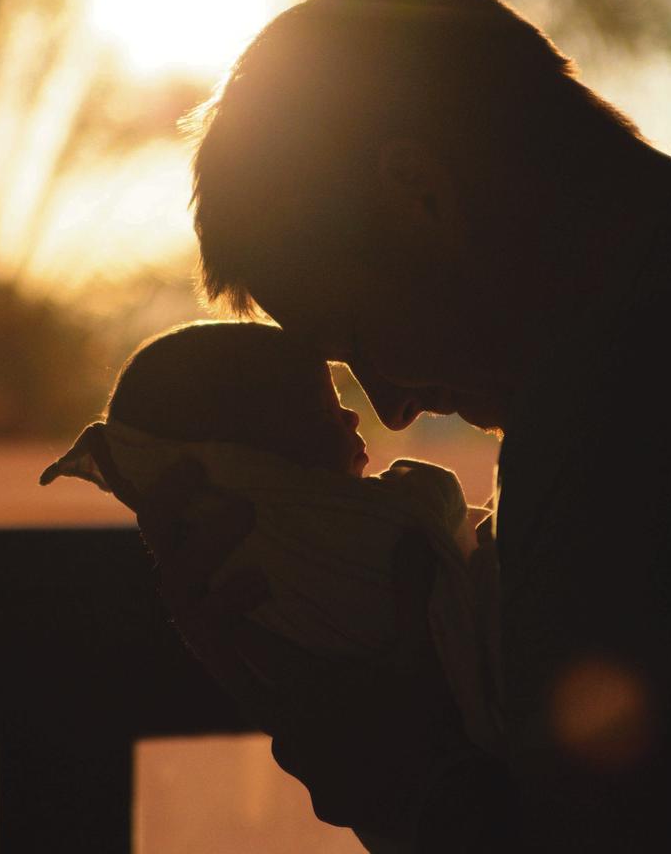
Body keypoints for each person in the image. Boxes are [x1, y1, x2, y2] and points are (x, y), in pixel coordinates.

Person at [139, 0, 671, 850]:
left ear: (420, 193)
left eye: (357, 335)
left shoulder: (619, 416)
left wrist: (383, 765)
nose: (390, 405)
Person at [39, 320, 503, 770]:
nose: (358, 414)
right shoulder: (330, 539)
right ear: (250, 465)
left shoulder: (232, 576)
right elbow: (432, 511)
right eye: (322, 410)